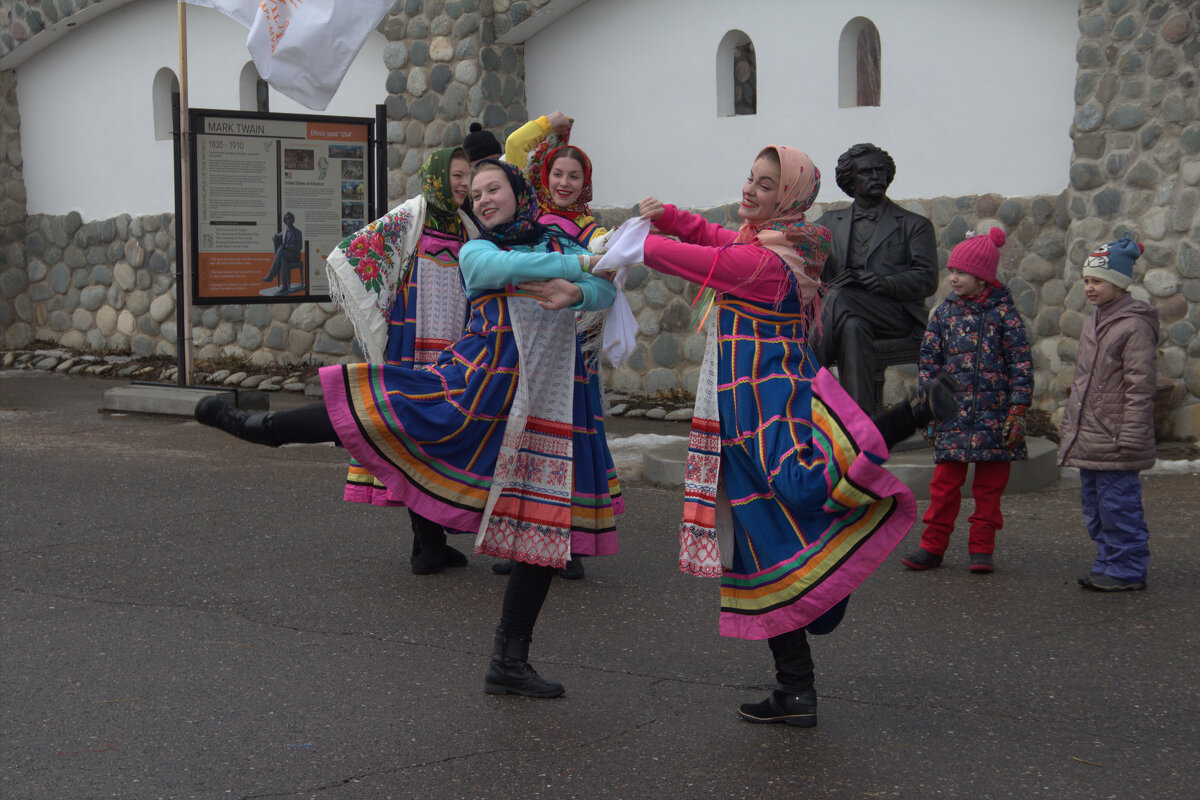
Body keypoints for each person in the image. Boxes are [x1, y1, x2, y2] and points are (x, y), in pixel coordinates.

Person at [195, 159, 618, 697]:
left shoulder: (553, 246)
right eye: (476, 193)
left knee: (539, 526)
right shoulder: (479, 249)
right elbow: (494, 273)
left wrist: (578, 290)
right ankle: (263, 426)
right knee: (375, 407)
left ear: (519, 193)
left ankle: (508, 661)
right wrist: (578, 264)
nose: (482, 199)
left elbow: (606, 291)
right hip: (473, 388)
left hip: (546, 403)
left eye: (494, 189)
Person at [636, 145, 956, 728]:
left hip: (767, 401)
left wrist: (626, 244)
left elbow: (698, 261)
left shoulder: (769, 262)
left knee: (804, 490)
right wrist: (669, 216)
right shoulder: (767, 243)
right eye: (750, 179)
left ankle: (906, 420)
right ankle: (796, 689)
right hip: (743, 408)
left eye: (766, 184)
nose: (751, 190)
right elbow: (709, 236)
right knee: (757, 542)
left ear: (789, 197)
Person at [325, 147, 478, 575]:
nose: (462, 183)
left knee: (440, 434)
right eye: (455, 175)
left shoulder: (468, 227)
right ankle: (427, 542)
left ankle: (430, 542)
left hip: (455, 344)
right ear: (435, 177)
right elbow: (351, 254)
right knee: (414, 433)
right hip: (415, 342)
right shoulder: (412, 216)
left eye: (467, 176)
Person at [900, 228, 1033, 574]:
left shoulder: (1005, 315)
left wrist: (1018, 409)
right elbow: (930, 362)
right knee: (943, 486)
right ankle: (932, 546)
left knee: (989, 490)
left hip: (995, 418)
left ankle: (982, 548)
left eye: (961, 272)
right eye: (952, 271)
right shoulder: (943, 315)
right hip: (952, 417)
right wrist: (928, 409)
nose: (953, 278)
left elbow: (1020, 363)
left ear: (983, 276)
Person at [1058, 235, 1158, 592]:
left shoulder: (1134, 327)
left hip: (1117, 438)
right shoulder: (1094, 322)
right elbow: (1084, 382)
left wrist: (1132, 434)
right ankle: (1107, 561)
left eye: (1097, 281)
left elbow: (1140, 386)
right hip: (1092, 436)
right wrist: (1072, 427)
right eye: (1086, 280)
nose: (1089, 287)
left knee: (1119, 507)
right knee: (1096, 508)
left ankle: (1128, 568)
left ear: (1118, 283)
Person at [813, 143, 939, 411]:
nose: (876, 177)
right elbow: (808, 272)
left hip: (895, 314)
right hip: (846, 315)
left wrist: (885, 282)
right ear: (851, 180)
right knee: (852, 326)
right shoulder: (827, 224)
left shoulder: (914, 225)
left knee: (837, 298)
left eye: (881, 172)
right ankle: (861, 427)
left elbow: (927, 279)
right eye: (867, 172)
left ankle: (803, 379)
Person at [264, 212, 303, 289]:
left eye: (291, 218)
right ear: (285, 220)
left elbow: (299, 247)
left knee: (281, 251)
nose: (289, 220)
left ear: (293, 220)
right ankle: (284, 285)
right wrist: (274, 237)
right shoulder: (284, 232)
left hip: (294, 256)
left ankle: (271, 275)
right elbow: (277, 236)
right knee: (282, 259)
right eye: (288, 218)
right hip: (285, 256)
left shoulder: (298, 232)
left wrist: (288, 246)